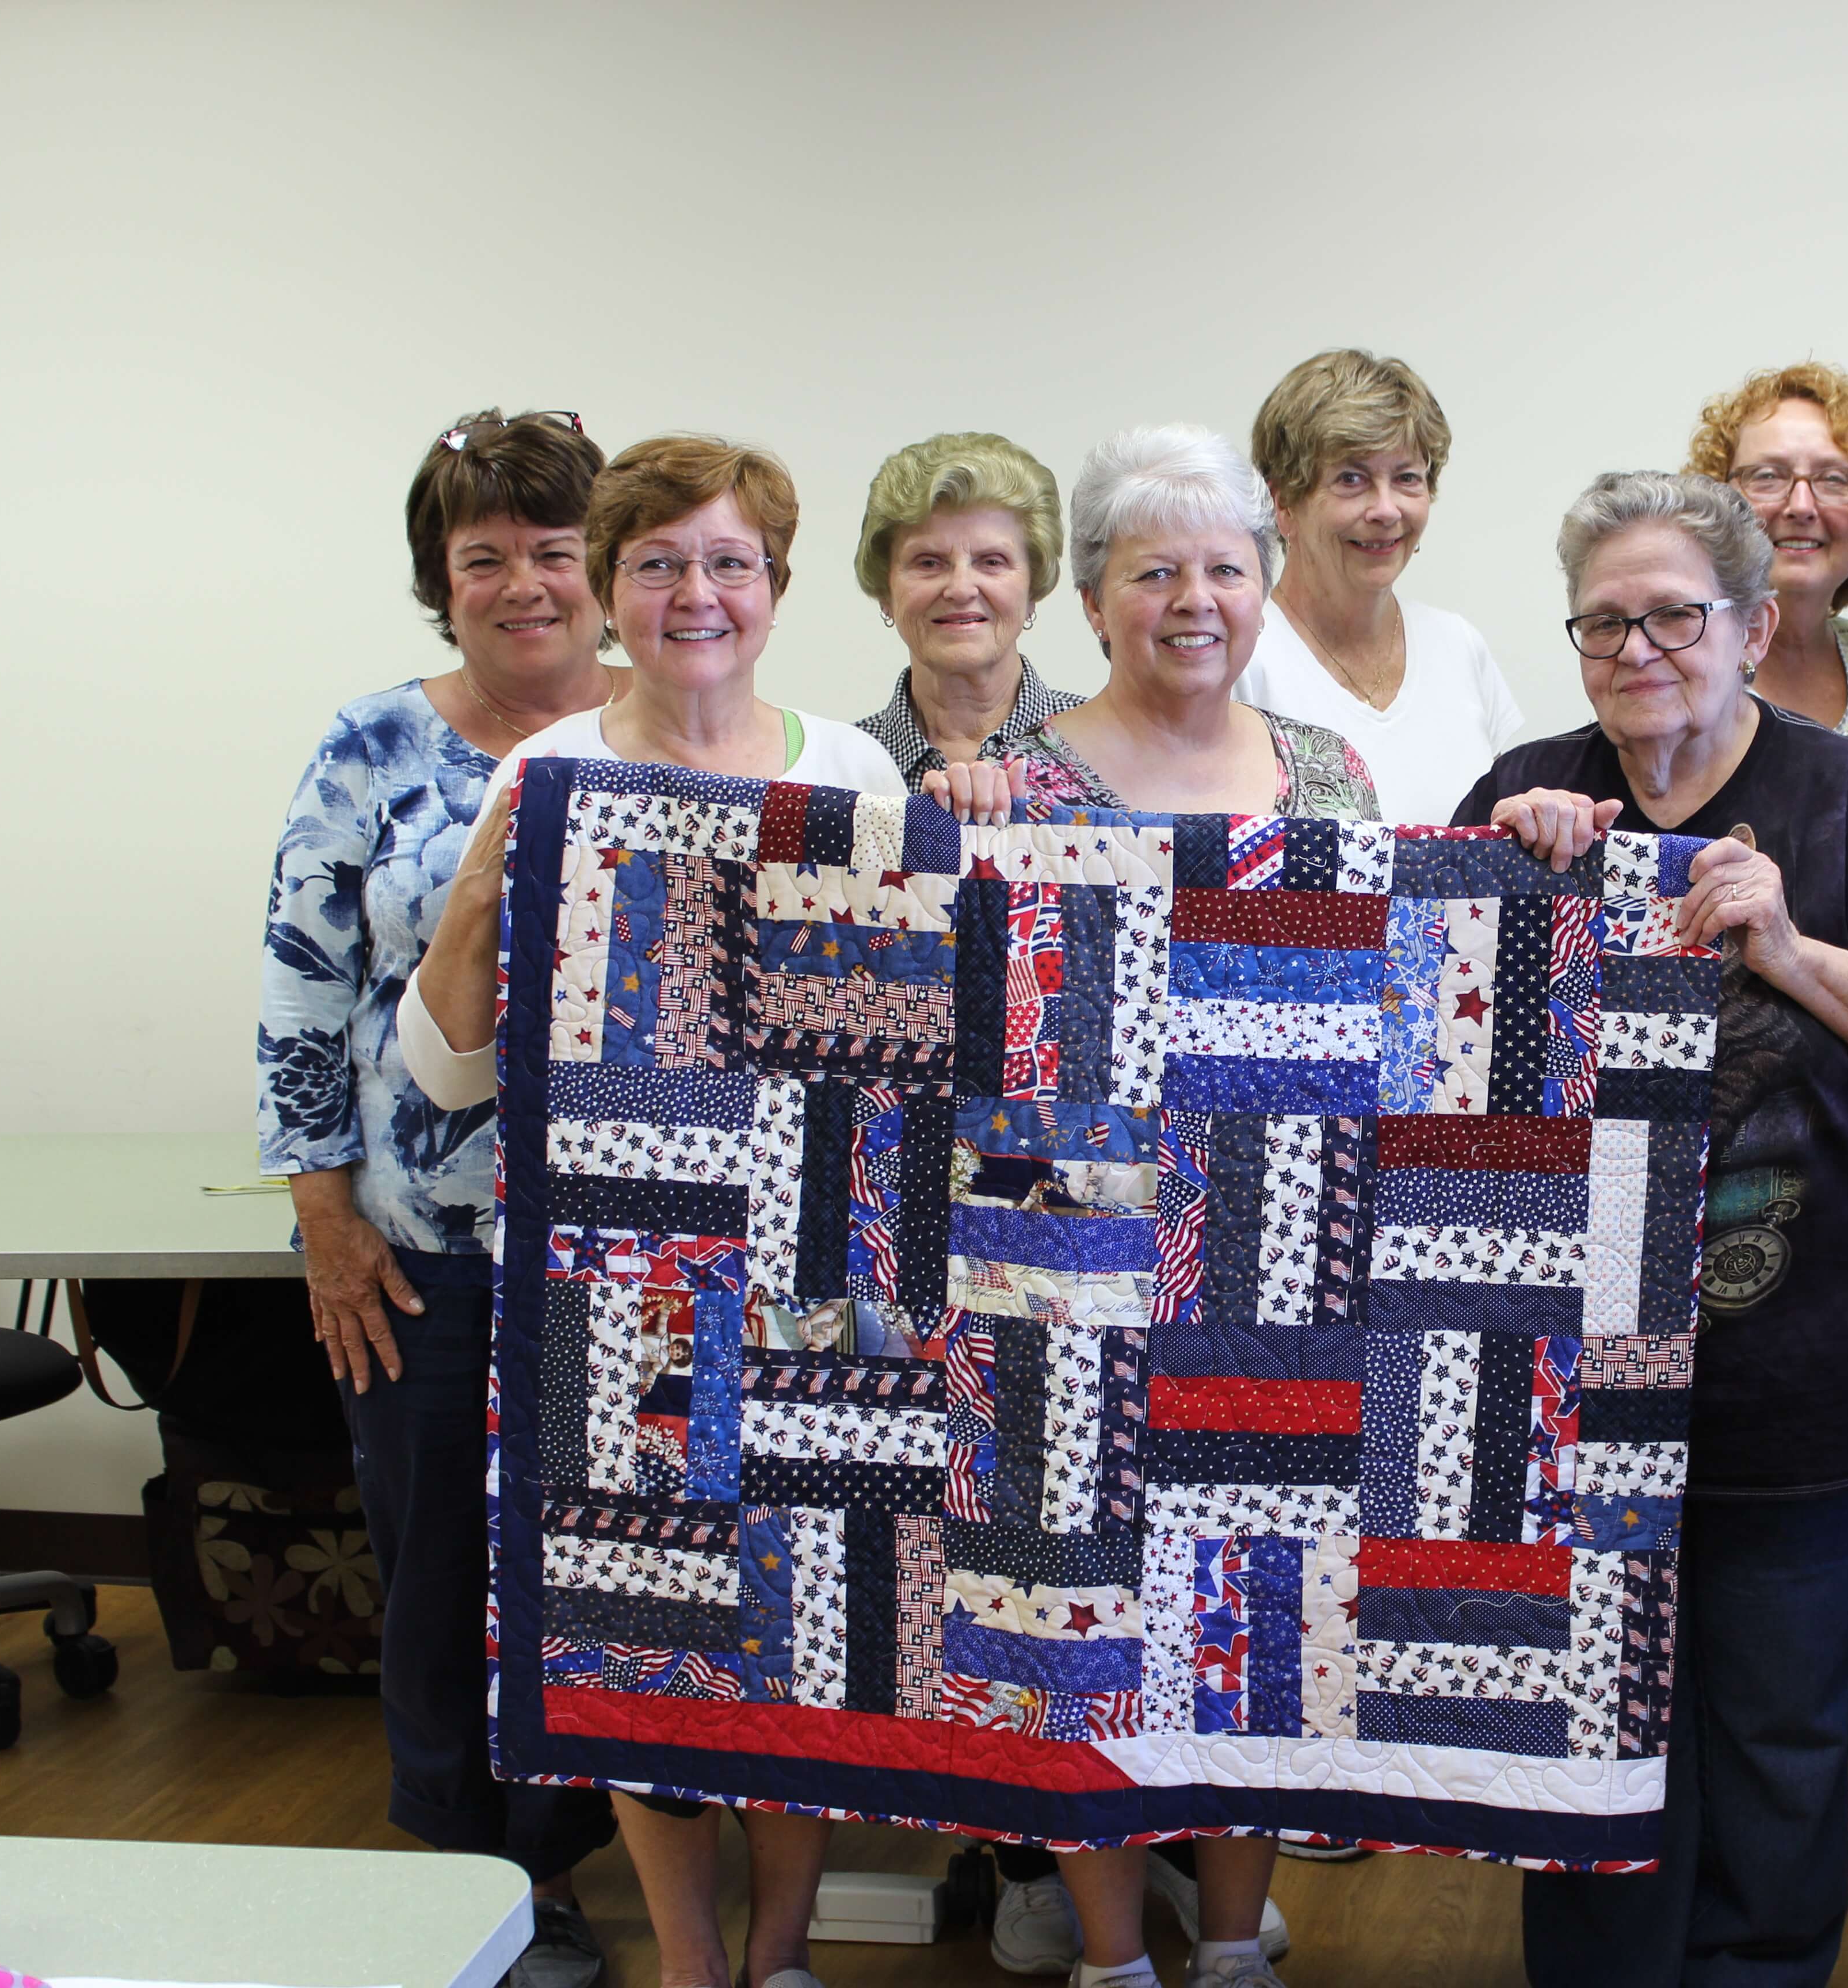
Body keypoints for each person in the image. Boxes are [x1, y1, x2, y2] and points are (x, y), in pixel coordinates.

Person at [1456, 471, 1848, 1986]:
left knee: (1778, 1736)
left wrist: (1788, 942)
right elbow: (1416, 1066)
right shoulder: (1528, 794)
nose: (1639, 649)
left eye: (1675, 616)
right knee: (1585, 1745)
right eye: (1604, 622)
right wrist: (1498, 886)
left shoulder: (1846, 802)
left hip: (1803, 1383)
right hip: (1559, 1395)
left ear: (1756, 626)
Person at [400, 433, 898, 1988]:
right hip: (613, 1283)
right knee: (644, 1631)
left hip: (822, 1273)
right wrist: (486, 886)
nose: (698, 594)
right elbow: (445, 1068)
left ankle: (783, 1951)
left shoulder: (848, 776)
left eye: (730, 563)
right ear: (613, 591)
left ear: (777, 588)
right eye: (661, 564)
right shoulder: (547, 779)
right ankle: (691, 1964)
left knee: (810, 1624)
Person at [931, 423, 1361, 1988]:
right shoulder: (1015, 784)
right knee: (1077, 1610)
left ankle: (1232, 1943)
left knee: (1250, 1594)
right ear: (1096, 601)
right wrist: (948, 833)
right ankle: (1111, 1952)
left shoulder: (1326, 772)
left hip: (1270, 1246)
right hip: (1059, 1257)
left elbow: (1382, 1006)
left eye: (1225, 569)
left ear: (1268, 587)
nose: (1194, 599)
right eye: (1152, 570)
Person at [257, 407, 623, 1988]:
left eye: (557, 550)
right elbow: (298, 990)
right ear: (443, 580)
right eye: (488, 558)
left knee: (605, 1559)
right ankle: (475, 1881)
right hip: (428, 1242)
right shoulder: (372, 747)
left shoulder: (663, 730)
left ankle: (586, 1854)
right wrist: (323, 1216)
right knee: (437, 1565)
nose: (527, 584)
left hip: (629, 1245)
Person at [1230, 349, 1519, 823]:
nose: (1386, 510)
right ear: (1282, 504)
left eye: (1407, 479)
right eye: (1352, 479)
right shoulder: (1241, 659)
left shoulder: (1459, 646)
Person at [1686, 362, 1848, 790]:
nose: (1801, 505)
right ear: (1716, 510)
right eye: (1767, 476)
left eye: (1833, 479)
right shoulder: (1682, 664)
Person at [851, 430, 1089, 786]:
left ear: (1033, 588)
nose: (960, 589)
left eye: (992, 562)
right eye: (928, 563)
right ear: (885, 589)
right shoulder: (839, 764)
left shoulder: (1106, 748)